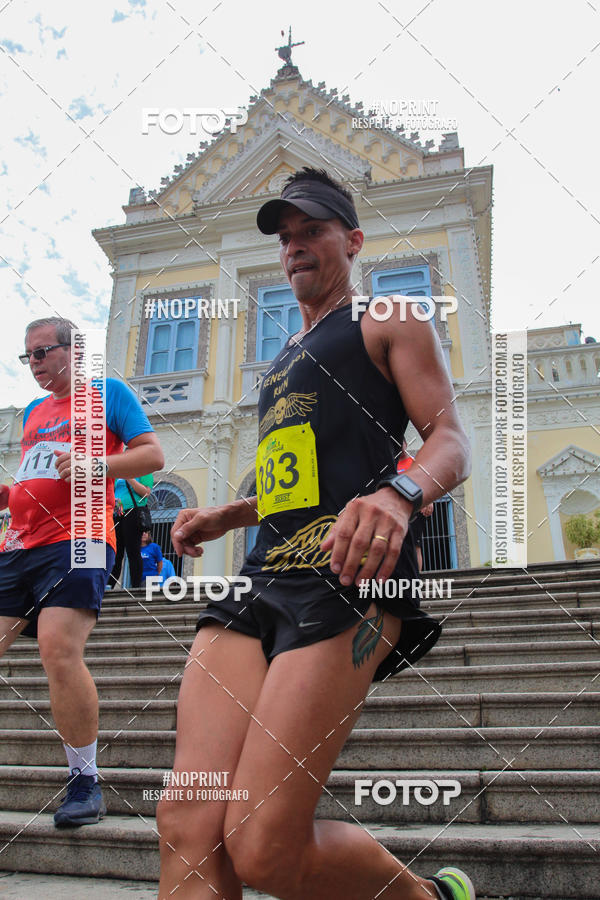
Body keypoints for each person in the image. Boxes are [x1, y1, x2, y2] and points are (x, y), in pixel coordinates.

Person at [157, 168, 474, 900]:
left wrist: (399, 494)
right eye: (286, 238)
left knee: (264, 850)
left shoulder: (389, 315)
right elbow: (289, 483)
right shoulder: (277, 368)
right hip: (260, 583)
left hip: (351, 581)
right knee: (186, 818)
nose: (295, 247)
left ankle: (426, 897)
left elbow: (450, 441)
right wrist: (223, 515)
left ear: (352, 240)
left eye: (312, 232)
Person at [0, 317, 164, 827]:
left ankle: (84, 781)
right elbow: (36, 476)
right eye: (28, 356)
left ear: (74, 350)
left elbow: (152, 456)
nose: (35, 364)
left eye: (43, 352)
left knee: (57, 645)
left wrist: (96, 464)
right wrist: (7, 496)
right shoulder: (31, 411)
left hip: (84, 537)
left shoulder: (108, 393)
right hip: (18, 543)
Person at [108, 473, 154, 589]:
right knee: (116, 553)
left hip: (133, 512)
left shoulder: (144, 471)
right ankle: (109, 585)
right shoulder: (117, 475)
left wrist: (129, 478)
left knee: (132, 551)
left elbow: (146, 493)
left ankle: (135, 586)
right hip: (118, 513)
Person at [397, 439, 434, 571]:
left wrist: (429, 501)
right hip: (399, 511)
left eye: (401, 443)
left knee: (415, 544)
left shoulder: (415, 462)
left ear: (406, 445)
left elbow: (427, 483)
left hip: (416, 509)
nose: (400, 446)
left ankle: (417, 576)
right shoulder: (391, 464)